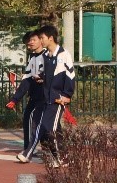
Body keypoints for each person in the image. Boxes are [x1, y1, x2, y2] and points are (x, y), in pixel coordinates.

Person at [18, 24, 75, 167]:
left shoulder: (63, 54)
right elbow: (49, 75)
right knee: (39, 125)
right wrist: (41, 78)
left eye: (42, 38)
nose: (40, 40)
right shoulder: (46, 56)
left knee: (50, 128)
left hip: (58, 99)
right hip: (46, 98)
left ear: (50, 38)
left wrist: (67, 94)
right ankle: (30, 153)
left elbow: (70, 76)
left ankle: (61, 158)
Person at [8, 30, 45, 162]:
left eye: (33, 40)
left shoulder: (48, 55)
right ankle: (29, 149)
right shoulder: (32, 58)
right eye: (28, 42)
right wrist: (15, 99)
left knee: (43, 122)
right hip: (35, 96)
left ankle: (32, 150)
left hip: (46, 95)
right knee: (30, 119)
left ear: (41, 39)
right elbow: (27, 80)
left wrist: (43, 78)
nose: (31, 43)